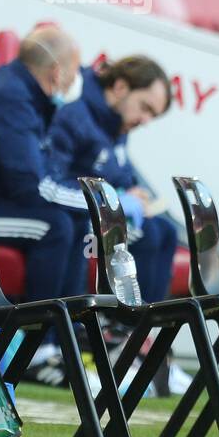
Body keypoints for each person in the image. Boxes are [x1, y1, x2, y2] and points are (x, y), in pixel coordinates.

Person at [0, 25, 89, 304]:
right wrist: (100, 202)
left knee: (78, 221)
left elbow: (43, 175)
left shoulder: (27, 95)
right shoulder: (12, 98)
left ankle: (63, 334)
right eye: (75, 70)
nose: (77, 80)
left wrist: (87, 205)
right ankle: (40, 339)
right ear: (57, 71)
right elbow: (33, 187)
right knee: (55, 226)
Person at [50, 56, 175, 302]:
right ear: (120, 87)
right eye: (145, 107)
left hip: (99, 215)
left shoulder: (117, 124)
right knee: (147, 235)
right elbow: (54, 179)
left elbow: (120, 172)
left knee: (167, 230)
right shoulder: (75, 113)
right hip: (73, 216)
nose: (146, 120)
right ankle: (129, 326)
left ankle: (148, 329)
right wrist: (113, 200)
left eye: (153, 115)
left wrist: (132, 192)